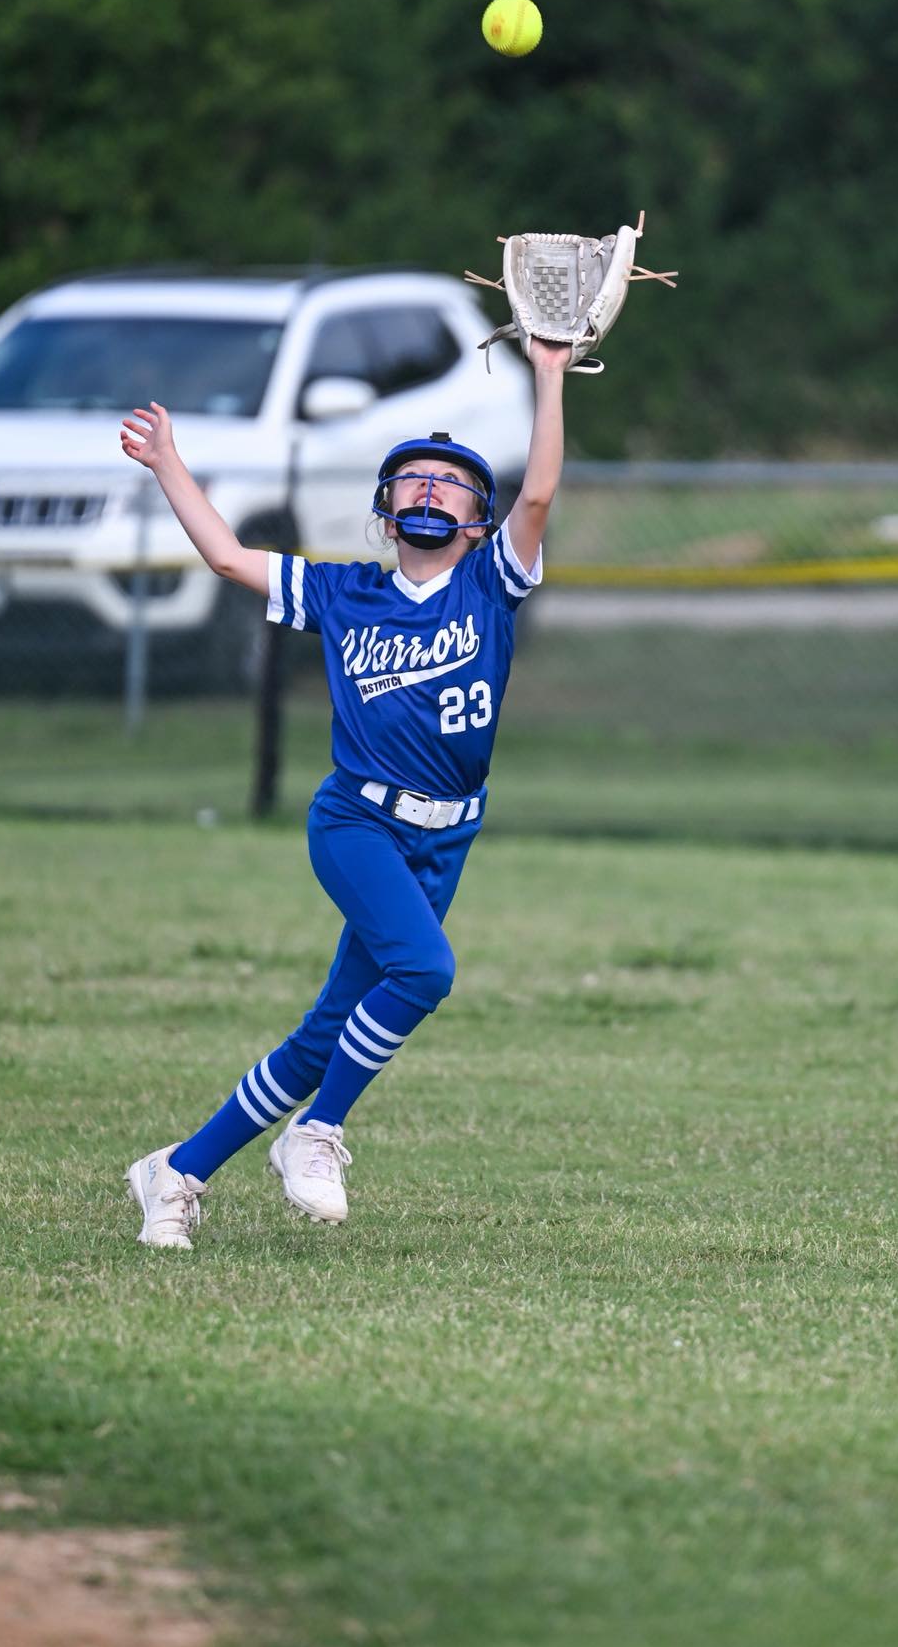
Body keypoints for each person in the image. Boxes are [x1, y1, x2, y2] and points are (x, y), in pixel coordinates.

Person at [117, 342, 574, 1245]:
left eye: (453, 484)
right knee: (426, 971)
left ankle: (176, 1173)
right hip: (357, 819)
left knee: (325, 1035)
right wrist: (168, 463)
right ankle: (317, 1131)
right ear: (385, 507)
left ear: (478, 522)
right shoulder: (347, 592)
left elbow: (540, 496)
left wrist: (550, 375)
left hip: (447, 837)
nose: (432, 489)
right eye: (415, 479)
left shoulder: (489, 584)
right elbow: (227, 557)